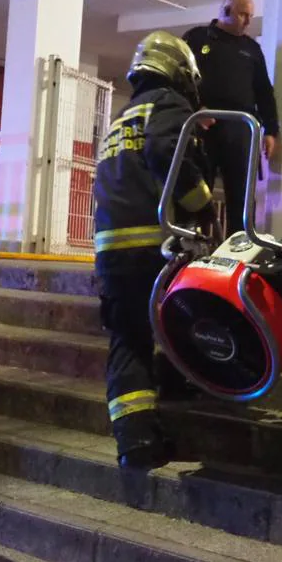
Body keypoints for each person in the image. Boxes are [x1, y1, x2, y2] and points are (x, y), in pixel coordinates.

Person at [94, 30, 214, 470]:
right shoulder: (168, 105)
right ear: (180, 71)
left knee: (129, 339)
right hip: (155, 243)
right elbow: (169, 151)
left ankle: (135, 439)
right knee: (193, 314)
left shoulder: (123, 117)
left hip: (112, 248)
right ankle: (191, 386)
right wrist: (201, 201)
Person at [183, 0, 281, 235]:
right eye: (242, 14)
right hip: (204, 124)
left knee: (241, 193)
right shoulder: (196, 38)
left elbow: (264, 92)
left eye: (250, 15)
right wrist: (196, 108)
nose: (247, 21)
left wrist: (271, 130)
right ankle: (196, 242)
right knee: (198, 187)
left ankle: (240, 244)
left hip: (241, 127)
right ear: (225, 11)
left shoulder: (252, 49)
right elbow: (180, 77)